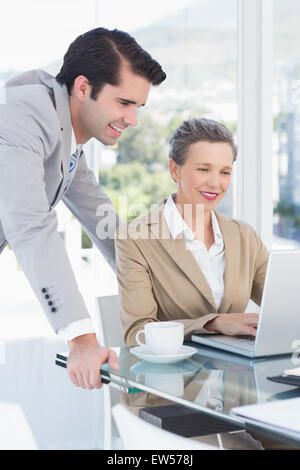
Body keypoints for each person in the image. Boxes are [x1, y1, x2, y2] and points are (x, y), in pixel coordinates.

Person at [0, 27, 166, 390]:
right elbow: (29, 226)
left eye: (138, 107)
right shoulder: (22, 118)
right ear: (82, 88)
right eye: (124, 103)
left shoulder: (65, 134)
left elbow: (101, 218)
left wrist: (164, 290)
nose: (132, 120)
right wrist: (81, 338)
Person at [116, 117, 268, 346]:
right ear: (174, 170)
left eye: (225, 172)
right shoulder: (135, 238)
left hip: (238, 371)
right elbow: (137, 334)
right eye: (204, 169)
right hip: (173, 377)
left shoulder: (244, 236)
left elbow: (284, 304)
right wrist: (212, 323)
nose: (216, 183)